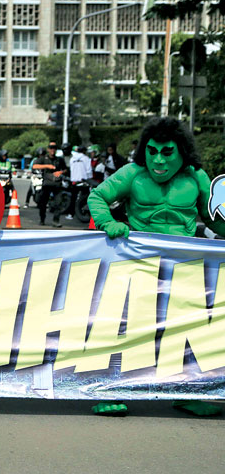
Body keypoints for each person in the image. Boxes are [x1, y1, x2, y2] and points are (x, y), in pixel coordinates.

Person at [88, 117, 225, 418]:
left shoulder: (197, 177)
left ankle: (186, 394)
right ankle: (109, 391)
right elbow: (97, 196)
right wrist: (108, 221)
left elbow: (213, 217)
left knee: (188, 330)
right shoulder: (132, 173)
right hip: (140, 264)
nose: (158, 160)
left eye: (167, 152)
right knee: (127, 327)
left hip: (185, 266)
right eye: (152, 151)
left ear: (181, 151)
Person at [33, 141, 67, 227]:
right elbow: (35, 166)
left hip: (57, 184)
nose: (52, 150)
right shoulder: (43, 158)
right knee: (43, 203)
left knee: (58, 203)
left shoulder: (59, 159)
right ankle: (42, 219)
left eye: (54, 148)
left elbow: (66, 169)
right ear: (48, 149)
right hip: (47, 184)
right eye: (51, 148)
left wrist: (60, 172)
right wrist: (47, 166)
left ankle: (56, 221)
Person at [68, 146, 93, 219]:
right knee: (85, 198)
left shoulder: (72, 159)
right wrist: (90, 179)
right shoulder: (86, 159)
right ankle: (85, 213)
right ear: (84, 151)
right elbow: (89, 171)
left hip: (74, 181)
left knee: (73, 198)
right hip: (83, 181)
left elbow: (71, 169)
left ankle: (71, 214)